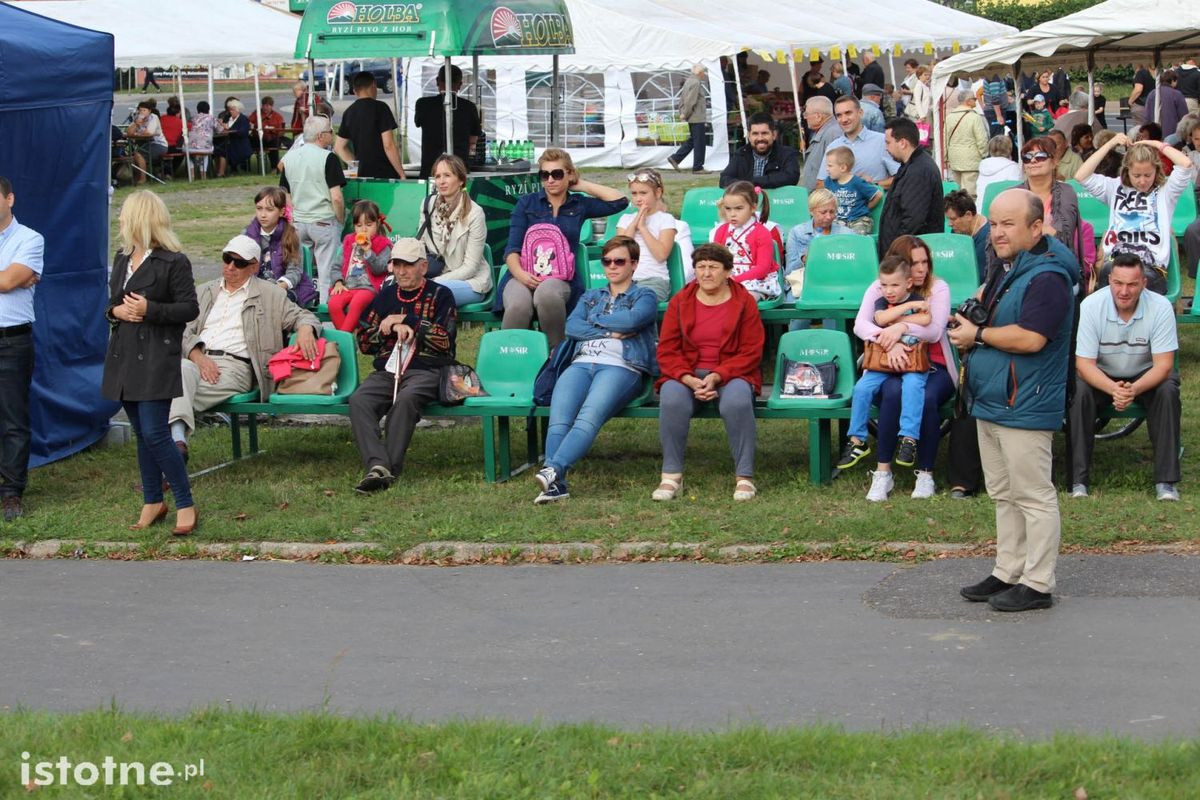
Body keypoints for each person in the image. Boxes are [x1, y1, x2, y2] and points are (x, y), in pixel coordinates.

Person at [950, 188, 1078, 613]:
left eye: (1008, 224)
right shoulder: (1010, 267)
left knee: (1033, 496)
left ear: (1036, 227)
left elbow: (1031, 338)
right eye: (994, 223)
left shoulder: (1049, 277)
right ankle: (1008, 571)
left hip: (1024, 400)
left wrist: (977, 334)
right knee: (1004, 494)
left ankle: (1038, 583)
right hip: (995, 398)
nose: (996, 232)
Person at [168, 234, 321, 456]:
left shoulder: (270, 294)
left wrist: (306, 329)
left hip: (235, 367)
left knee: (164, 395)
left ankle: (171, 450)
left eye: (239, 263)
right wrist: (198, 356)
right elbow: (181, 329)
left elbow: (303, 316)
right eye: (227, 258)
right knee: (177, 377)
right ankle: (177, 444)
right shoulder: (205, 291)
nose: (230, 267)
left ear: (254, 267)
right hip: (195, 360)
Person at [102, 191, 200, 536]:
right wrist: (116, 311)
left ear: (140, 219)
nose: (119, 220)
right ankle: (152, 500)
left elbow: (189, 309)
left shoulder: (174, 261)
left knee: (157, 433)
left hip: (157, 356)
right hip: (124, 355)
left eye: (124, 215)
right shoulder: (122, 257)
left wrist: (149, 310)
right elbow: (111, 302)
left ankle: (185, 502)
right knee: (143, 435)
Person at [534, 236, 659, 504]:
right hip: (581, 363)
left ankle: (553, 469)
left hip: (622, 366)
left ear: (634, 264)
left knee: (588, 417)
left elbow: (634, 319)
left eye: (619, 261)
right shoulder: (591, 296)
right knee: (559, 421)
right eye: (606, 261)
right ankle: (557, 486)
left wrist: (596, 322)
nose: (612, 266)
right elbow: (571, 327)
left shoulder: (645, 295)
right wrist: (610, 329)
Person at [654, 243, 764, 503]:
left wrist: (717, 375)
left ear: (728, 271)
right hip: (687, 372)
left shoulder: (744, 301)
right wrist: (688, 378)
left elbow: (751, 351)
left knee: (737, 401)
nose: (706, 273)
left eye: (713, 267)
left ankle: (744, 477)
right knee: (671, 398)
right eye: (700, 267)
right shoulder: (681, 301)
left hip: (733, 370)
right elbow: (668, 350)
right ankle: (671, 476)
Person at [849, 236, 956, 500]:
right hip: (888, 364)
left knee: (927, 397)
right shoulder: (882, 286)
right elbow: (861, 325)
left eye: (925, 262)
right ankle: (883, 472)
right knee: (894, 393)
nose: (921, 269)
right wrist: (890, 345)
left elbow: (933, 330)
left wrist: (901, 327)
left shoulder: (938, 288)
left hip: (933, 365)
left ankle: (925, 473)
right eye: (914, 263)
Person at [1069, 252, 1180, 502]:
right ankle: (1078, 481)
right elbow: (1084, 365)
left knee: (1168, 389)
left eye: (1132, 284)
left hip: (1146, 372)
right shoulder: (1090, 306)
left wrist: (1132, 389)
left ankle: (1167, 482)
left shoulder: (1161, 307)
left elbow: (1164, 366)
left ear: (1144, 284)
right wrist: (1114, 389)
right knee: (1079, 391)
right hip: (1101, 373)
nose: (1124, 291)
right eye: (1118, 283)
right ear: (1110, 282)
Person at [348, 238, 457, 494]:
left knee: (406, 400)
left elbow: (445, 341)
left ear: (422, 266)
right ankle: (379, 466)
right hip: (389, 368)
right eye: (396, 264)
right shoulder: (385, 295)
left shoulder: (441, 295)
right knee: (359, 400)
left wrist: (410, 321)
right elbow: (364, 340)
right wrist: (391, 328)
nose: (401, 271)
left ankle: (387, 469)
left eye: (407, 265)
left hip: (428, 369)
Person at [499, 149, 628, 349]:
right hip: (522, 273)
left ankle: (556, 355)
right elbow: (512, 249)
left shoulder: (579, 204)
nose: (550, 180)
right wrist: (520, 274)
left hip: (561, 279)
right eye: (544, 175)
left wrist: (580, 185)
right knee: (518, 305)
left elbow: (619, 201)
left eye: (557, 174)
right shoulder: (527, 203)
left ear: (569, 173)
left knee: (547, 294)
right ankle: (511, 358)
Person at [840, 256, 932, 494]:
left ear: (908, 284)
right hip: (881, 362)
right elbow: (880, 319)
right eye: (884, 285)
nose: (888, 291)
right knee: (861, 389)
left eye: (894, 285)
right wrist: (903, 315)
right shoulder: (881, 302)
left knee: (913, 386)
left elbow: (927, 319)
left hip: (912, 360)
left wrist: (899, 320)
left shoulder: (918, 298)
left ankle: (909, 438)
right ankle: (857, 439)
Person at [1076, 133, 1193, 295]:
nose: (1142, 181)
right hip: (1116, 262)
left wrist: (1157, 144)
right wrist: (1110, 144)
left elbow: (1186, 164)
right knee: (1111, 281)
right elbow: (1081, 175)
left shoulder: (1166, 191)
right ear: (1126, 171)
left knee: (1137, 283)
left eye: (1148, 175)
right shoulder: (1114, 187)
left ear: (1156, 171)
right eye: (1136, 175)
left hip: (1151, 267)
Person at [0, 177, 42, 522]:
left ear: (9, 199)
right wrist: (9, 277)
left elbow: (8, 281)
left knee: (13, 418)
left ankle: (11, 491)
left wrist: (12, 278)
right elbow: (6, 279)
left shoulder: (30, 239)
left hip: (11, 340)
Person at [280, 115, 347, 304]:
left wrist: (293, 217)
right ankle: (327, 311)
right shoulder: (328, 158)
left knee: (298, 273)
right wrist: (340, 219)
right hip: (324, 219)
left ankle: (301, 309)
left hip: (299, 222)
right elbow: (336, 196)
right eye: (330, 132)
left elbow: (286, 194)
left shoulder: (289, 158)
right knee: (326, 273)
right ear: (320, 136)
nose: (332, 135)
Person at [418, 154, 491, 307]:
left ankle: (437, 331)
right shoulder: (428, 204)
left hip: (470, 281)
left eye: (447, 175)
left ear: (461, 180)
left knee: (432, 293)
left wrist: (434, 282)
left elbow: (470, 268)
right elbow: (420, 245)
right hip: (433, 276)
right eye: (437, 176)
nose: (441, 181)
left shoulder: (475, 213)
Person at [877, 118, 943, 257]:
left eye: (888, 143)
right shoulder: (911, 166)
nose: (886, 148)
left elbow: (913, 219)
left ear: (902, 143)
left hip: (908, 256)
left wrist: (897, 252)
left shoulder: (919, 171)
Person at [244, 186, 317, 309]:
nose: (263, 214)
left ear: (282, 212)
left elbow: (295, 271)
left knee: (273, 302)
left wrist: (278, 287)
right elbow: (241, 268)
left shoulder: (292, 235)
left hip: (284, 287)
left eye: (269, 210)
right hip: (255, 286)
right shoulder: (247, 235)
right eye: (259, 208)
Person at [711, 181, 781, 301]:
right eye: (728, 209)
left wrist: (736, 279)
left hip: (755, 282)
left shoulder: (762, 233)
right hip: (726, 278)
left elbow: (762, 268)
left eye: (739, 208)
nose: (732, 214)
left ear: (753, 207)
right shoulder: (721, 231)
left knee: (739, 300)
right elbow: (714, 259)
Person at [329, 200, 392, 331]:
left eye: (369, 225)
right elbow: (336, 266)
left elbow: (379, 269)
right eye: (359, 225)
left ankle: (342, 342)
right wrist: (338, 282)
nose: (363, 229)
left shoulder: (383, 244)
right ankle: (349, 341)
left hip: (369, 288)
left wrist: (368, 251)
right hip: (347, 286)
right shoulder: (348, 241)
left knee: (356, 304)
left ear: (378, 223)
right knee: (333, 303)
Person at [616, 169, 678, 302]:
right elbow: (619, 251)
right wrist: (634, 224)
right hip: (625, 280)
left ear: (658, 193)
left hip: (654, 281)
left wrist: (643, 228)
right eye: (634, 193)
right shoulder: (625, 219)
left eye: (643, 193)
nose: (638, 199)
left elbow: (661, 255)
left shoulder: (666, 219)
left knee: (636, 303)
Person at [413, 64, 483, 179]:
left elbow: (418, 122)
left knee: (431, 197)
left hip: (430, 169)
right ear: (460, 84)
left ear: (437, 81)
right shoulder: (469, 107)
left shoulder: (423, 104)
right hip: (458, 170)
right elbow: (473, 140)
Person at [335, 71, 405, 181]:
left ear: (355, 91)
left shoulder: (349, 112)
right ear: (374, 85)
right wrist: (401, 173)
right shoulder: (381, 108)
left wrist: (356, 166)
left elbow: (339, 147)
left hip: (362, 175)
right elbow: (388, 145)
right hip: (385, 174)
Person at [819, 95, 899, 188]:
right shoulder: (833, 147)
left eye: (848, 113)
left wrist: (871, 186)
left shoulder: (882, 141)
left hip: (877, 201)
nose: (844, 119)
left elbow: (900, 177)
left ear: (860, 113)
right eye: (839, 115)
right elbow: (821, 183)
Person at [783, 188, 853, 289]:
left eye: (832, 212)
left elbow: (853, 266)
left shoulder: (847, 234)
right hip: (805, 283)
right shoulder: (797, 232)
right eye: (823, 212)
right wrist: (804, 259)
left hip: (838, 282)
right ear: (811, 211)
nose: (828, 217)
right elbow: (789, 271)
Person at [719, 112, 801, 189]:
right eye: (755, 134)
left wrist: (751, 182)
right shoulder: (741, 154)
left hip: (777, 202)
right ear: (749, 136)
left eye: (764, 133)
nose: (760, 138)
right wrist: (747, 184)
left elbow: (791, 177)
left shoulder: (787, 154)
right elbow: (724, 179)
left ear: (774, 135)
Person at [943, 89, 990, 199]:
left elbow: (944, 139)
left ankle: (958, 213)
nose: (975, 101)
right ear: (968, 101)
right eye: (974, 99)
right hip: (971, 157)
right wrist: (983, 154)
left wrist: (946, 157)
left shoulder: (949, 117)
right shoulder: (974, 117)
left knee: (956, 192)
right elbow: (981, 139)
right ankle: (968, 213)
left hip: (954, 157)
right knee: (970, 193)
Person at [823, 147, 882, 235]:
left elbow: (878, 195)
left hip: (858, 219)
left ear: (843, 167)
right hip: (838, 220)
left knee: (856, 235)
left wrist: (866, 207)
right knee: (827, 231)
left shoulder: (857, 182)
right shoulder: (829, 182)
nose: (827, 169)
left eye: (830, 166)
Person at [667, 64, 709, 174]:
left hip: (692, 116)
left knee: (693, 140)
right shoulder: (696, 82)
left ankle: (676, 158)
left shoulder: (688, 81)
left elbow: (683, 98)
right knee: (700, 142)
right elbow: (691, 100)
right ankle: (698, 167)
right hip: (696, 117)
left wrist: (682, 112)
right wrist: (684, 114)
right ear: (700, 73)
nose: (704, 74)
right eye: (703, 72)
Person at [944, 190, 993, 283]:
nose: (949, 224)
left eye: (953, 219)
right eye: (948, 219)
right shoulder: (957, 230)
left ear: (968, 215)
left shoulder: (988, 237)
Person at [975, 135, 1023, 213]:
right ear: (1009, 149)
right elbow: (1017, 192)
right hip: (1002, 211)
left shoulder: (983, 166)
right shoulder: (1013, 167)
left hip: (980, 209)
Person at [800, 98, 840, 191]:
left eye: (806, 114)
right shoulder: (824, 131)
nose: (805, 117)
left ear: (818, 116)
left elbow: (836, 172)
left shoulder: (833, 133)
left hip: (824, 200)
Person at [125, 101, 168, 185]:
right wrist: (136, 124)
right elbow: (129, 133)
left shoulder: (153, 118)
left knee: (138, 155)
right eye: (140, 110)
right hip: (145, 144)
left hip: (158, 144)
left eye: (144, 110)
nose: (142, 112)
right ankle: (137, 178)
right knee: (134, 155)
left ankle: (143, 179)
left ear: (149, 111)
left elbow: (149, 133)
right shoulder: (137, 118)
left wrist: (136, 134)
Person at [1142, 70, 1189, 144]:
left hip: (1153, 135)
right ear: (1173, 80)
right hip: (1172, 135)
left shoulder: (1152, 93)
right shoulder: (1177, 94)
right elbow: (1184, 117)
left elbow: (1146, 116)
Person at [249, 96, 286, 170]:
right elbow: (249, 122)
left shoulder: (277, 116)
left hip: (272, 139)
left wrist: (272, 130)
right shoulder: (257, 113)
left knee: (274, 143)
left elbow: (281, 131)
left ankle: (274, 168)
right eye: (263, 105)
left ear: (271, 106)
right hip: (259, 139)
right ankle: (244, 166)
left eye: (267, 105)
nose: (265, 107)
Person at [187, 100, 215, 178]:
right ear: (208, 110)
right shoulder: (211, 118)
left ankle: (192, 173)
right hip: (205, 146)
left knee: (189, 154)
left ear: (197, 109)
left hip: (191, 146)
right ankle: (203, 175)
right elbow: (219, 129)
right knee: (205, 153)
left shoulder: (192, 118)